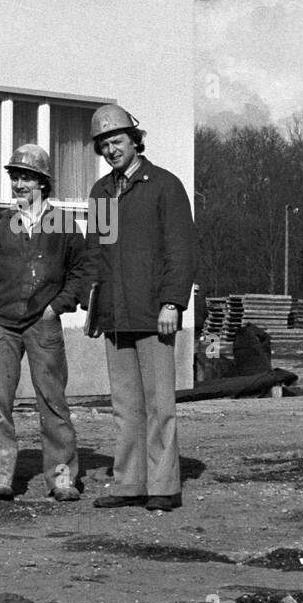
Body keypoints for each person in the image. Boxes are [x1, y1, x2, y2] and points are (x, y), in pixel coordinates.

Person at [86, 105, 197, 512]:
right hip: (115, 316)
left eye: (117, 141)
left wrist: (173, 302)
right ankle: (129, 484)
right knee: (125, 406)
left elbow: (180, 250)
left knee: (159, 405)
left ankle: (164, 486)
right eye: (104, 145)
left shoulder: (165, 186)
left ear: (136, 141)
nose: (111, 150)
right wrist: (93, 306)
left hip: (154, 314)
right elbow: (94, 252)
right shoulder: (101, 191)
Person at [0, 144, 89, 502]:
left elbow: (80, 273)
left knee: (52, 400)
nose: (19, 184)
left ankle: (62, 478)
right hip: (3, 325)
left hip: (44, 324)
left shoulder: (64, 224)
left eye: (27, 177)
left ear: (43, 182)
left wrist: (57, 307)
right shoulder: (0, 224)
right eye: (15, 177)